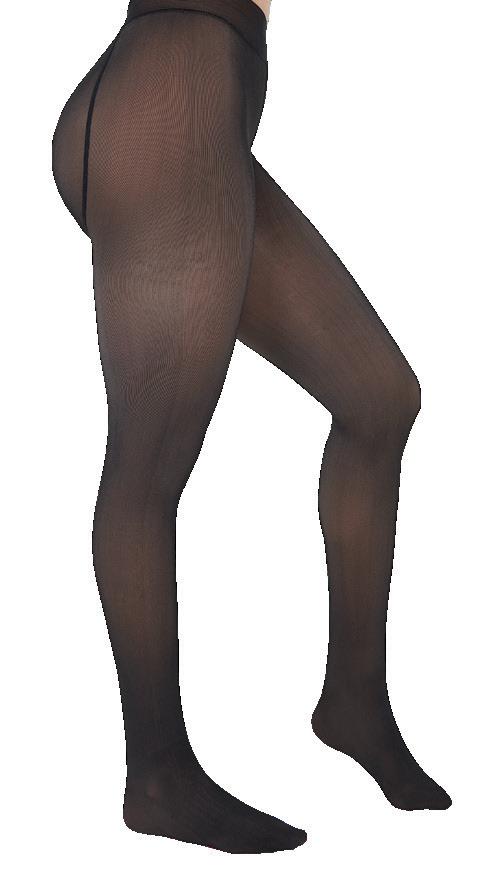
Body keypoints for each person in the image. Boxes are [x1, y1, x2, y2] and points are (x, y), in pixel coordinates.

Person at [52, 0, 451, 855]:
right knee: (149, 463)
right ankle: (157, 776)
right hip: (169, 89)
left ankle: (352, 701)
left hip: (203, 97)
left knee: (379, 399)